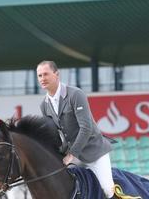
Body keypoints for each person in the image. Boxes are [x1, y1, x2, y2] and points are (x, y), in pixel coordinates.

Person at [37, 60, 115, 198]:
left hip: (94, 152)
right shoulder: (44, 104)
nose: (42, 79)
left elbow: (86, 128)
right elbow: (54, 135)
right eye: (39, 76)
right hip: (73, 156)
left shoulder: (75, 94)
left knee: (107, 191)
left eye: (46, 74)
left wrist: (71, 155)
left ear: (56, 74)